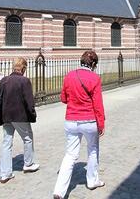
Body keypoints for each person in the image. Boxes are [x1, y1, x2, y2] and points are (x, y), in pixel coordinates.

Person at [53, 50, 106, 199]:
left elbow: (63, 98)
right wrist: (101, 123)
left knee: (70, 155)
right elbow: (98, 104)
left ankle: (59, 191)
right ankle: (92, 181)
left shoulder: (69, 75)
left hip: (71, 120)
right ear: (93, 64)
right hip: (89, 120)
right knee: (93, 150)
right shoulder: (94, 78)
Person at [0, 57, 39, 184]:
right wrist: (32, 114)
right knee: (27, 138)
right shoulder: (24, 81)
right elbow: (29, 101)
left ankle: (5, 173)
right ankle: (28, 163)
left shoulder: (4, 80)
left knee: (6, 143)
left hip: (6, 116)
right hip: (20, 116)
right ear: (24, 68)